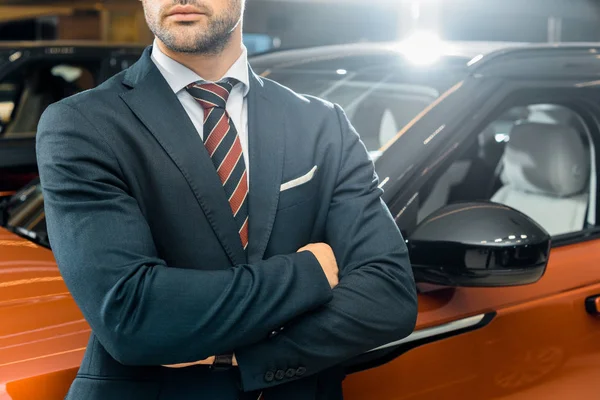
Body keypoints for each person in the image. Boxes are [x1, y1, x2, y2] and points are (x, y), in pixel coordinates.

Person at [35, 0, 417, 398]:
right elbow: (133, 316)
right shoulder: (83, 123)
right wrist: (311, 271)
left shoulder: (324, 124)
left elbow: (388, 296)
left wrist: (238, 355)